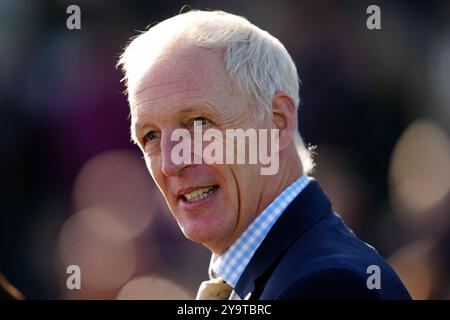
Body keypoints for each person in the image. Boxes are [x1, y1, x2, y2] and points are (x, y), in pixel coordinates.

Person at [117, 10, 411, 300]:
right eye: (151, 136)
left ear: (278, 120)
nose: (171, 162)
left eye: (198, 122)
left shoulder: (327, 285)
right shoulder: (284, 274)